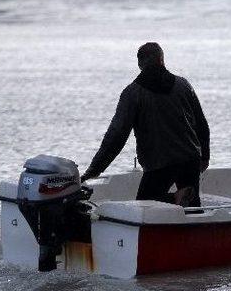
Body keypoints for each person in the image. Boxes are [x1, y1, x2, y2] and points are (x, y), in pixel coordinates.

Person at [81, 42, 210, 207]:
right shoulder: (183, 85)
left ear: (139, 64)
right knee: (192, 208)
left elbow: (116, 136)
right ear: (162, 60)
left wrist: (94, 169)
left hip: (159, 163)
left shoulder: (132, 93)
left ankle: (175, 198)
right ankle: (187, 209)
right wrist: (204, 156)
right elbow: (201, 123)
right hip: (190, 158)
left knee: (145, 205)